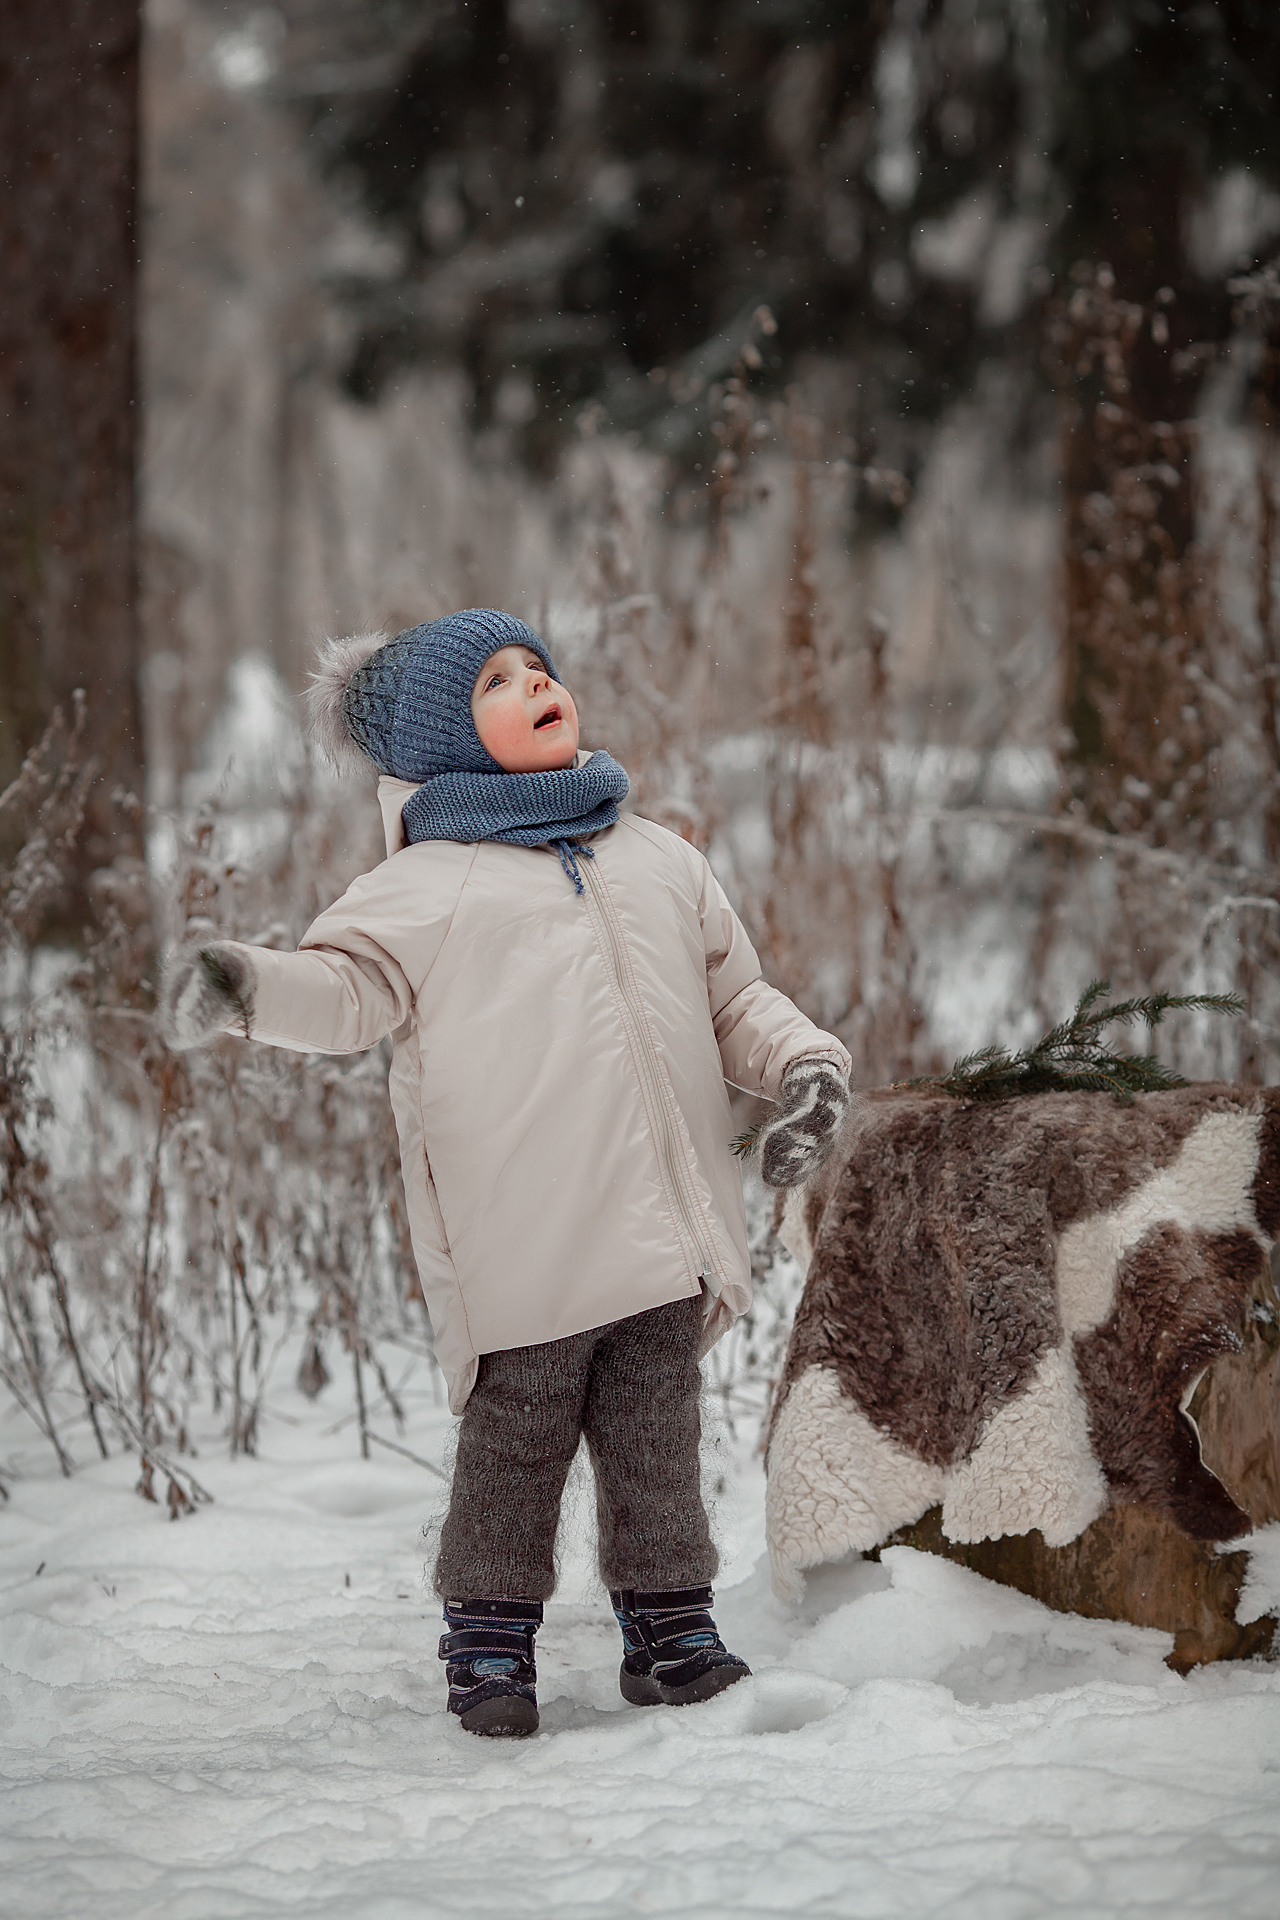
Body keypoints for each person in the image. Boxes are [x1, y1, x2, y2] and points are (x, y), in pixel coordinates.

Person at [161, 608, 853, 1738]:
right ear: (442, 739)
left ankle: (669, 1624)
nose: (536, 682)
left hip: (660, 1236)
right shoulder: (422, 887)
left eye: (539, 667)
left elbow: (734, 1000)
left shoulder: (658, 856)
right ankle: (488, 1636)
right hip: (523, 1236)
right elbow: (340, 992)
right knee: (514, 1444)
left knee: (654, 1441)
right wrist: (246, 986)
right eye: (496, 678)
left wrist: (805, 1065)